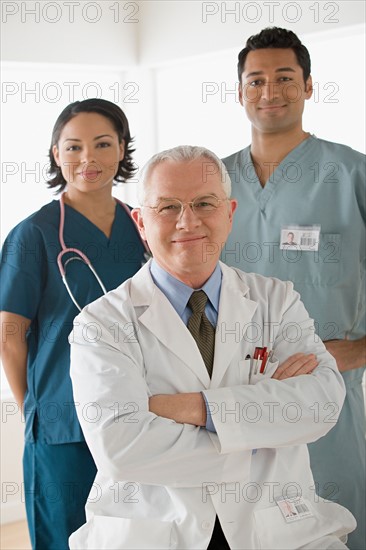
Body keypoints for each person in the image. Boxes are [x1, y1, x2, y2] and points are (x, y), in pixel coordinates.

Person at [68, 145, 355, 550]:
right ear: (140, 222)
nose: (188, 221)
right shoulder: (103, 323)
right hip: (155, 531)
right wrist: (261, 433)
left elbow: (322, 403)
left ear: (230, 213)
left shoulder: (277, 300)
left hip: (278, 526)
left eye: (205, 203)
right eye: (167, 207)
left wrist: (196, 408)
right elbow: (122, 449)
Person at [221, 27, 365, 550]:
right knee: (246, 523)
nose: (269, 91)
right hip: (234, 390)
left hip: (327, 385)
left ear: (308, 86)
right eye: (255, 80)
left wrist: (364, 347)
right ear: (239, 92)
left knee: (337, 519)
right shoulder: (213, 181)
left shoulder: (351, 174)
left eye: (284, 78)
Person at [0, 98, 147, 549]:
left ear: (122, 149)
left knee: (135, 535)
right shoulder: (35, 234)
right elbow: (9, 336)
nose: (89, 159)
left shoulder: (140, 226)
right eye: (74, 147)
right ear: (55, 154)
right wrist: (35, 412)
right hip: (63, 424)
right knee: (66, 537)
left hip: (138, 413)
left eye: (103, 144)